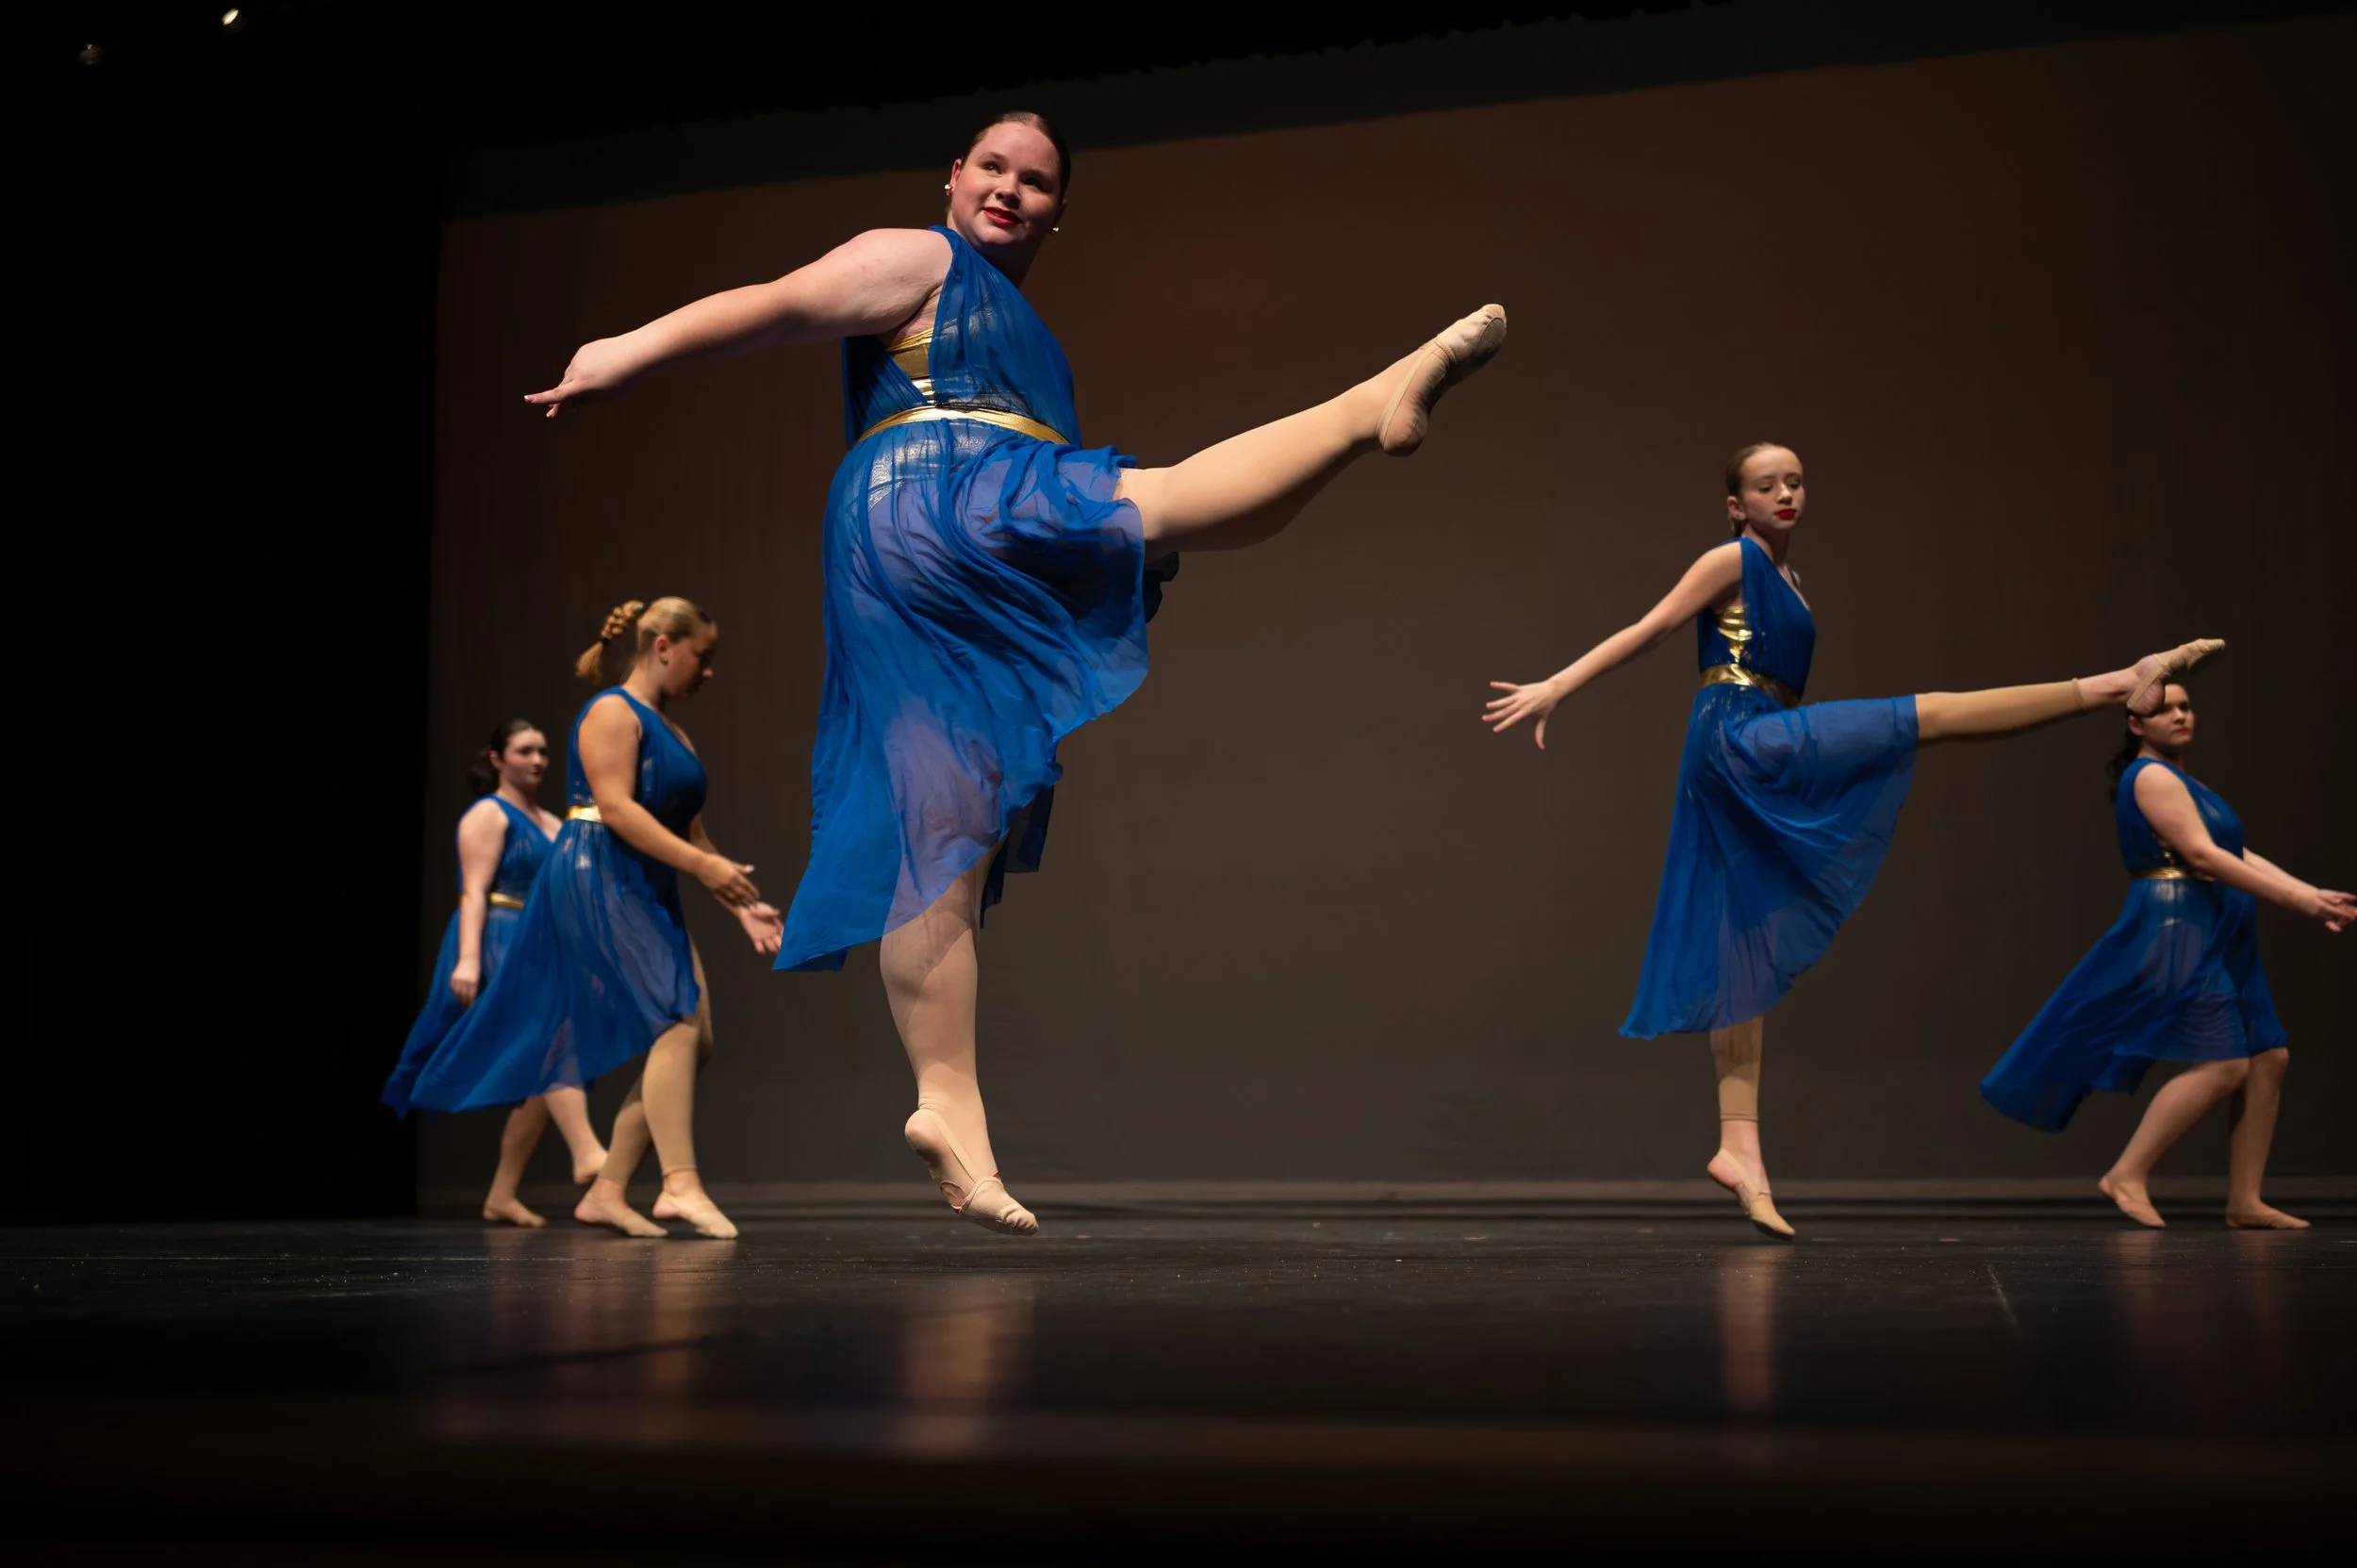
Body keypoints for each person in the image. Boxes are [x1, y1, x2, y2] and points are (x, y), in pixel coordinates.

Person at [525, 111, 1507, 1234]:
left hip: (953, 500)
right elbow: (768, 309)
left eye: (1035, 182)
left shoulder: (1030, 335)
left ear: (1058, 211)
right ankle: (1362, 400)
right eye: (990, 167)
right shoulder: (916, 255)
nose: (1009, 189)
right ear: (951, 176)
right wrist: (622, 353)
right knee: (1169, 502)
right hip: (937, 487)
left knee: (948, 816)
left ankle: (948, 1103)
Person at [1483, 441, 2221, 1237]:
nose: (1785, 493)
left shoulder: (1791, 581)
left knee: (1744, 930)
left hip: (1759, 734)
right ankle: (2116, 682)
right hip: (1739, 739)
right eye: (1766, 485)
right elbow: (1651, 627)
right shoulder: (1729, 558)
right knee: (1927, 713)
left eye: (1795, 481)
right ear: (1737, 504)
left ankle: (1739, 1148)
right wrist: (1557, 685)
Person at [406, 599, 783, 1239]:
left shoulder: (677, 735)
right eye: (703, 655)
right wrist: (702, 868)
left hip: (647, 882)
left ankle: (607, 1190)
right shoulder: (612, 711)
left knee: (696, 1038)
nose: (709, 671)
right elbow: (615, 809)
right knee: (676, 1017)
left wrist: (742, 902)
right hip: (597, 876)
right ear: (663, 646)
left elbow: (691, 832)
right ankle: (679, 1181)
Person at [1980, 683, 2351, 1229]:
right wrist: (2298, 901)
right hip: (2181, 925)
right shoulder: (2150, 776)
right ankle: (2126, 1173)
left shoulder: (2186, 782)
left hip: (2219, 921)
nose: (2180, 715)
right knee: (2224, 1064)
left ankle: (2245, 1201)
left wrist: (2312, 893)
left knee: (2268, 1057)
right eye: (2165, 709)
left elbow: (2235, 853)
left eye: (2186, 706)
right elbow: (2201, 854)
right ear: (2135, 725)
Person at [385, 720, 608, 1226]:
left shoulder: (552, 822)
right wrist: (467, 958)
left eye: (543, 751)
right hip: (496, 937)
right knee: (549, 1039)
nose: (537, 760)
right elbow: (474, 892)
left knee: (541, 1063)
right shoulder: (488, 814)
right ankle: (588, 1150)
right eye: (525, 750)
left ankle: (502, 1193)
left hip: (538, 942)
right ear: (496, 758)